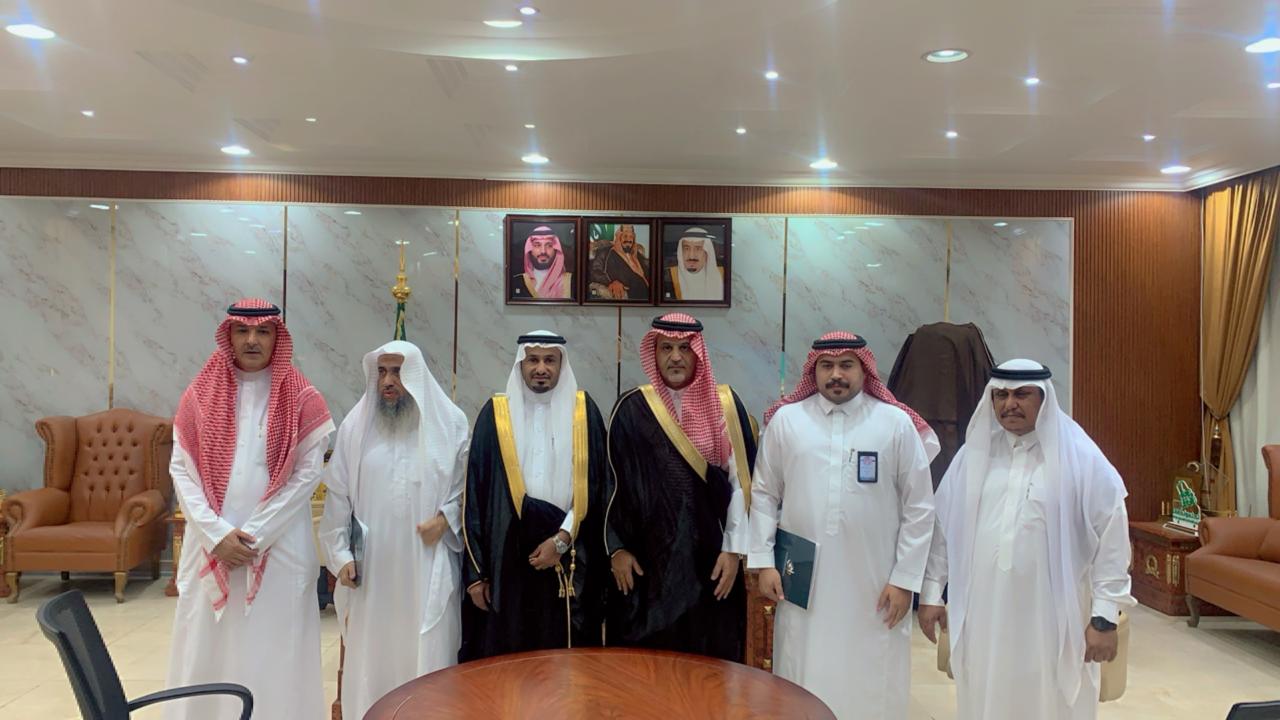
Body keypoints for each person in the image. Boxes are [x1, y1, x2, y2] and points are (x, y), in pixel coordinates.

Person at [917, 359, 1134, 720]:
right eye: (1000, 395)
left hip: (1053, 619)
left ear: (1044, 399)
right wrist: (931, 593)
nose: (1009, 404)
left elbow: (1112, 540)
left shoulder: (1081, 458)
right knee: (987, 695)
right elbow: (943, 528)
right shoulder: (974, 456)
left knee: (1051, 701)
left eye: (1022, 394)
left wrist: (1104, 618)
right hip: (985, 614)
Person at [750, 331, 936, 719]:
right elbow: (764, 493)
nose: (836, 374)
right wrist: (763, 561)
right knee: (802, 666)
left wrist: (905, 579)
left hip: (875, 581)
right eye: (827, 366)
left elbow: (919, 506)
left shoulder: (895, 424)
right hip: (803, 580)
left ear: (864, 369)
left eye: (846, 365)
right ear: (813, 371)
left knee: (871, 673)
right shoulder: (787, 421)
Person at [165, 298, 335, 720]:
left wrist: (254, 536)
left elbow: (308, 474)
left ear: (278, 337)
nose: (252, 340)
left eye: (263, 331)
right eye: (242, 331)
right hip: (210, 547)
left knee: (275, 651)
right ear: (229, 336)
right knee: (206, 648)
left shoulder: (302, 397)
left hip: (279, 550)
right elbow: (181, 470)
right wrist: (216, 535)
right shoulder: (200, 394)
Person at [319, 340, 470, 720]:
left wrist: (446, 520)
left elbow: (466, 490)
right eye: (382, 371)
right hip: (373, 575)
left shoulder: (450, 424)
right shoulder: (356, 427)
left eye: (398, 372)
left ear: (415, 376)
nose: (388, 381)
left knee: (429, 658)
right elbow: (337, 498)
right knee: (373, 659)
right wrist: (341, 557)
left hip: (426, 566)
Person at [605, 313, 756, 660]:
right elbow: (612, 485)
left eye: (685, 348)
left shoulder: (725, 405)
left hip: (710, 560)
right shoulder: (631, 408)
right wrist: (617, 549)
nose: (675, 357)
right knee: (647, 665)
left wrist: (733, 550)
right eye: (666, 348)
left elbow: (742, 485)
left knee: (709, 661)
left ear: (698, 353)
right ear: (653, 353)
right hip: (647, 564)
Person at [461, 331, 609, 659]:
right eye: (533, 360)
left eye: (549, 360)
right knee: (512, 656)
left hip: (569, 553)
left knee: (566, 659)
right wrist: (476, 574)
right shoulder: (495, 415)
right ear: (521, 364)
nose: (541, 368)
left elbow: (597, 486)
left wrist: (562, 539)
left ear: (561, 364)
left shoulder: (584, 412)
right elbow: (474, 498)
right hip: (507, 557)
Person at [589, 224, 649, 300]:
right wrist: (611, 282)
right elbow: (595, 272)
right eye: (625, 236)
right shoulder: (605, 252)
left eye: (631, 237)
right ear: (618, 236)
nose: (628, 240)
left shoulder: (637, 255)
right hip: (630, 294)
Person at [511, 225, 573, 299]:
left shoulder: (571, 281)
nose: (543, 251)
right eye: (537, 245)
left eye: (549, 246)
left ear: (556, 250)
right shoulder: (516, 281)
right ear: (530, 250)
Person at [666, 227, 723, 301]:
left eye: (698, 249)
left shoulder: (723, 275)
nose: (691, 256)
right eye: (686, 249)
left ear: (707, 253)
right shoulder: (668, 275)